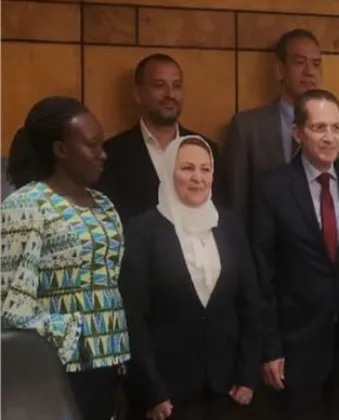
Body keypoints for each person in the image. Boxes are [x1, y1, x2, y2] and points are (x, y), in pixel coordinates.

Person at [0, 96, 130, 420]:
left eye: (102, 144)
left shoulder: (103, 204)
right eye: (91, 145)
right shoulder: (26, 205)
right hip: (54, 367)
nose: (103, 153)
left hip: (108, 364)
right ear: (60, 149)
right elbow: (9, 304)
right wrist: (71, 332)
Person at [118, 135, 263, 420]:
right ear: (168, 171)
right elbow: (132, 316)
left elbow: (250, 304)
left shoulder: (230, 224)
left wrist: (247, 375)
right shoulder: (143, 230)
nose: (198, 178)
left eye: (205, 169)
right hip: (167, 395)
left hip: (227, 389)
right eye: (187, 168)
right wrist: (151, 390)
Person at [250, 89, 339, 420]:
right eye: (319, 128)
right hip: (296, 348)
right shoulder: (272, 187)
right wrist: (270, 348)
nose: (329, 137)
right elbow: (262, 273)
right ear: (297, 133)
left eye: (336, 128)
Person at [224, 29, 339, 221]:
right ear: (280, 70)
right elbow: (236, 204)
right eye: (300, 62)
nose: (309, 72)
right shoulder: (247, 128)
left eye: (316, 64)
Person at [96, 53, 225, 227]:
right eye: (159, 86)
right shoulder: (111, 154)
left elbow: (221, 215)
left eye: (177, 86)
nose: (170, 94)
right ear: (138, 94)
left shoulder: (207, 149)